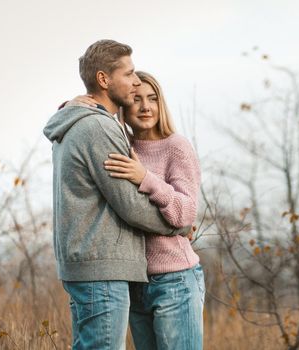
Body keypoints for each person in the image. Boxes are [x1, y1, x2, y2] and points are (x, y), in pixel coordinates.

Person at [43, 40, 191, 350]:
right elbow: (131, 206)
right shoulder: (98, 127)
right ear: (103, 80)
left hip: (90, 265)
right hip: (101, 266)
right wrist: (178, 225)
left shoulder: (78, 122)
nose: (136, 81)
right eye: (129, 73)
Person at [71, 71, 204, 349]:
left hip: (175, 279)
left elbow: (186, 212)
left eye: (152, 99)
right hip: (134, 281)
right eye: (136, 99)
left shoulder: (176, 147)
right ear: (122, 105)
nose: (145, 107)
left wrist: (146, 177)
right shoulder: (121, 145)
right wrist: (74, 106)